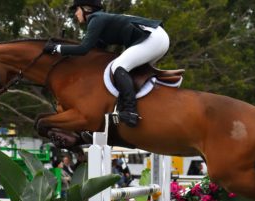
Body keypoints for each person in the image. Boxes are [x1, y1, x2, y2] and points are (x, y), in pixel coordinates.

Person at [43, 0, 170, 128]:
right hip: (156, 38)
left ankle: (130, 112)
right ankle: (139, 108)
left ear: (87, 9)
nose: (75, 14)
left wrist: (56, 48)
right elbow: (93, 54)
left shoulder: (96, 19)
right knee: (127, 73)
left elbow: (83, 49)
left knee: (118, 67)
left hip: (153, 38)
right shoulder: (100, 22)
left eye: (77, 10)